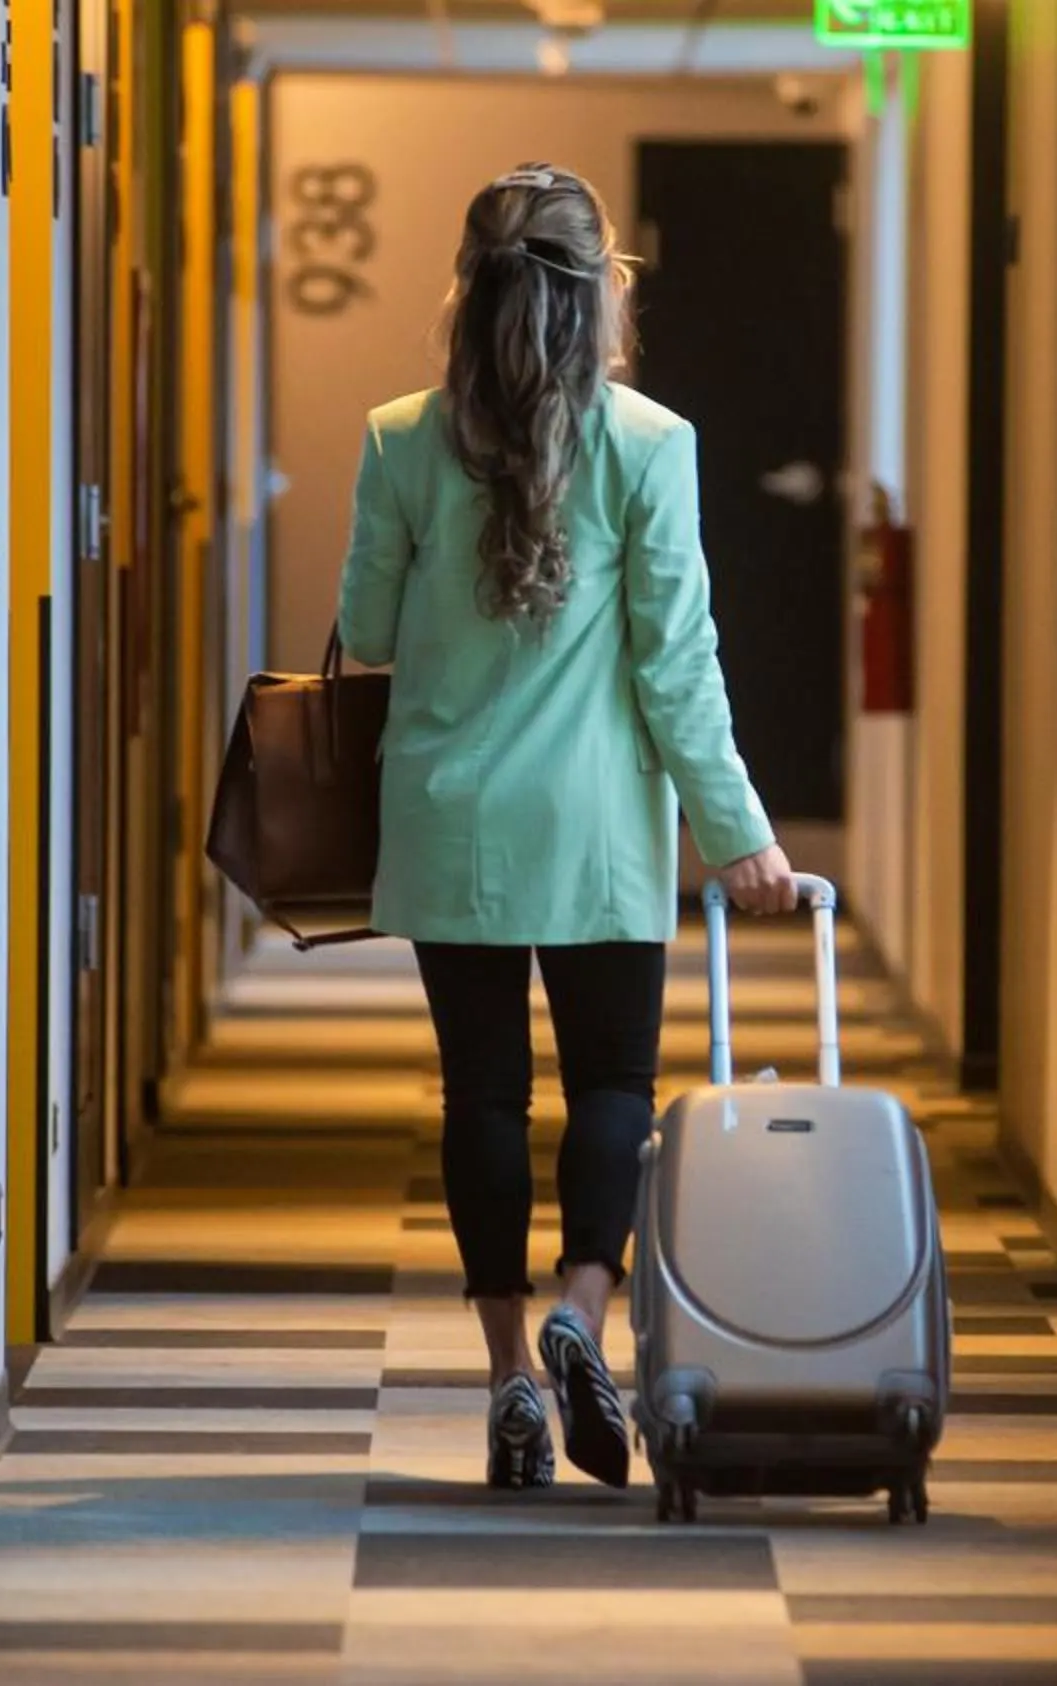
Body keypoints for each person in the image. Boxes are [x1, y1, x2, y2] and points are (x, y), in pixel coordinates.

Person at [336, 163, 795, 1492]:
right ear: (605, 295)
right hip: (596, 829)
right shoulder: (652, 444)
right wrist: (740, 831)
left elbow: (364, 633)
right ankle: (578, 1310)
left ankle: (506, 1379)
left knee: (482, 1095)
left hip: (448, 823)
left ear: (466, 293)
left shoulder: (399, 436)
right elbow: (678, 666)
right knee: (611, 1089)